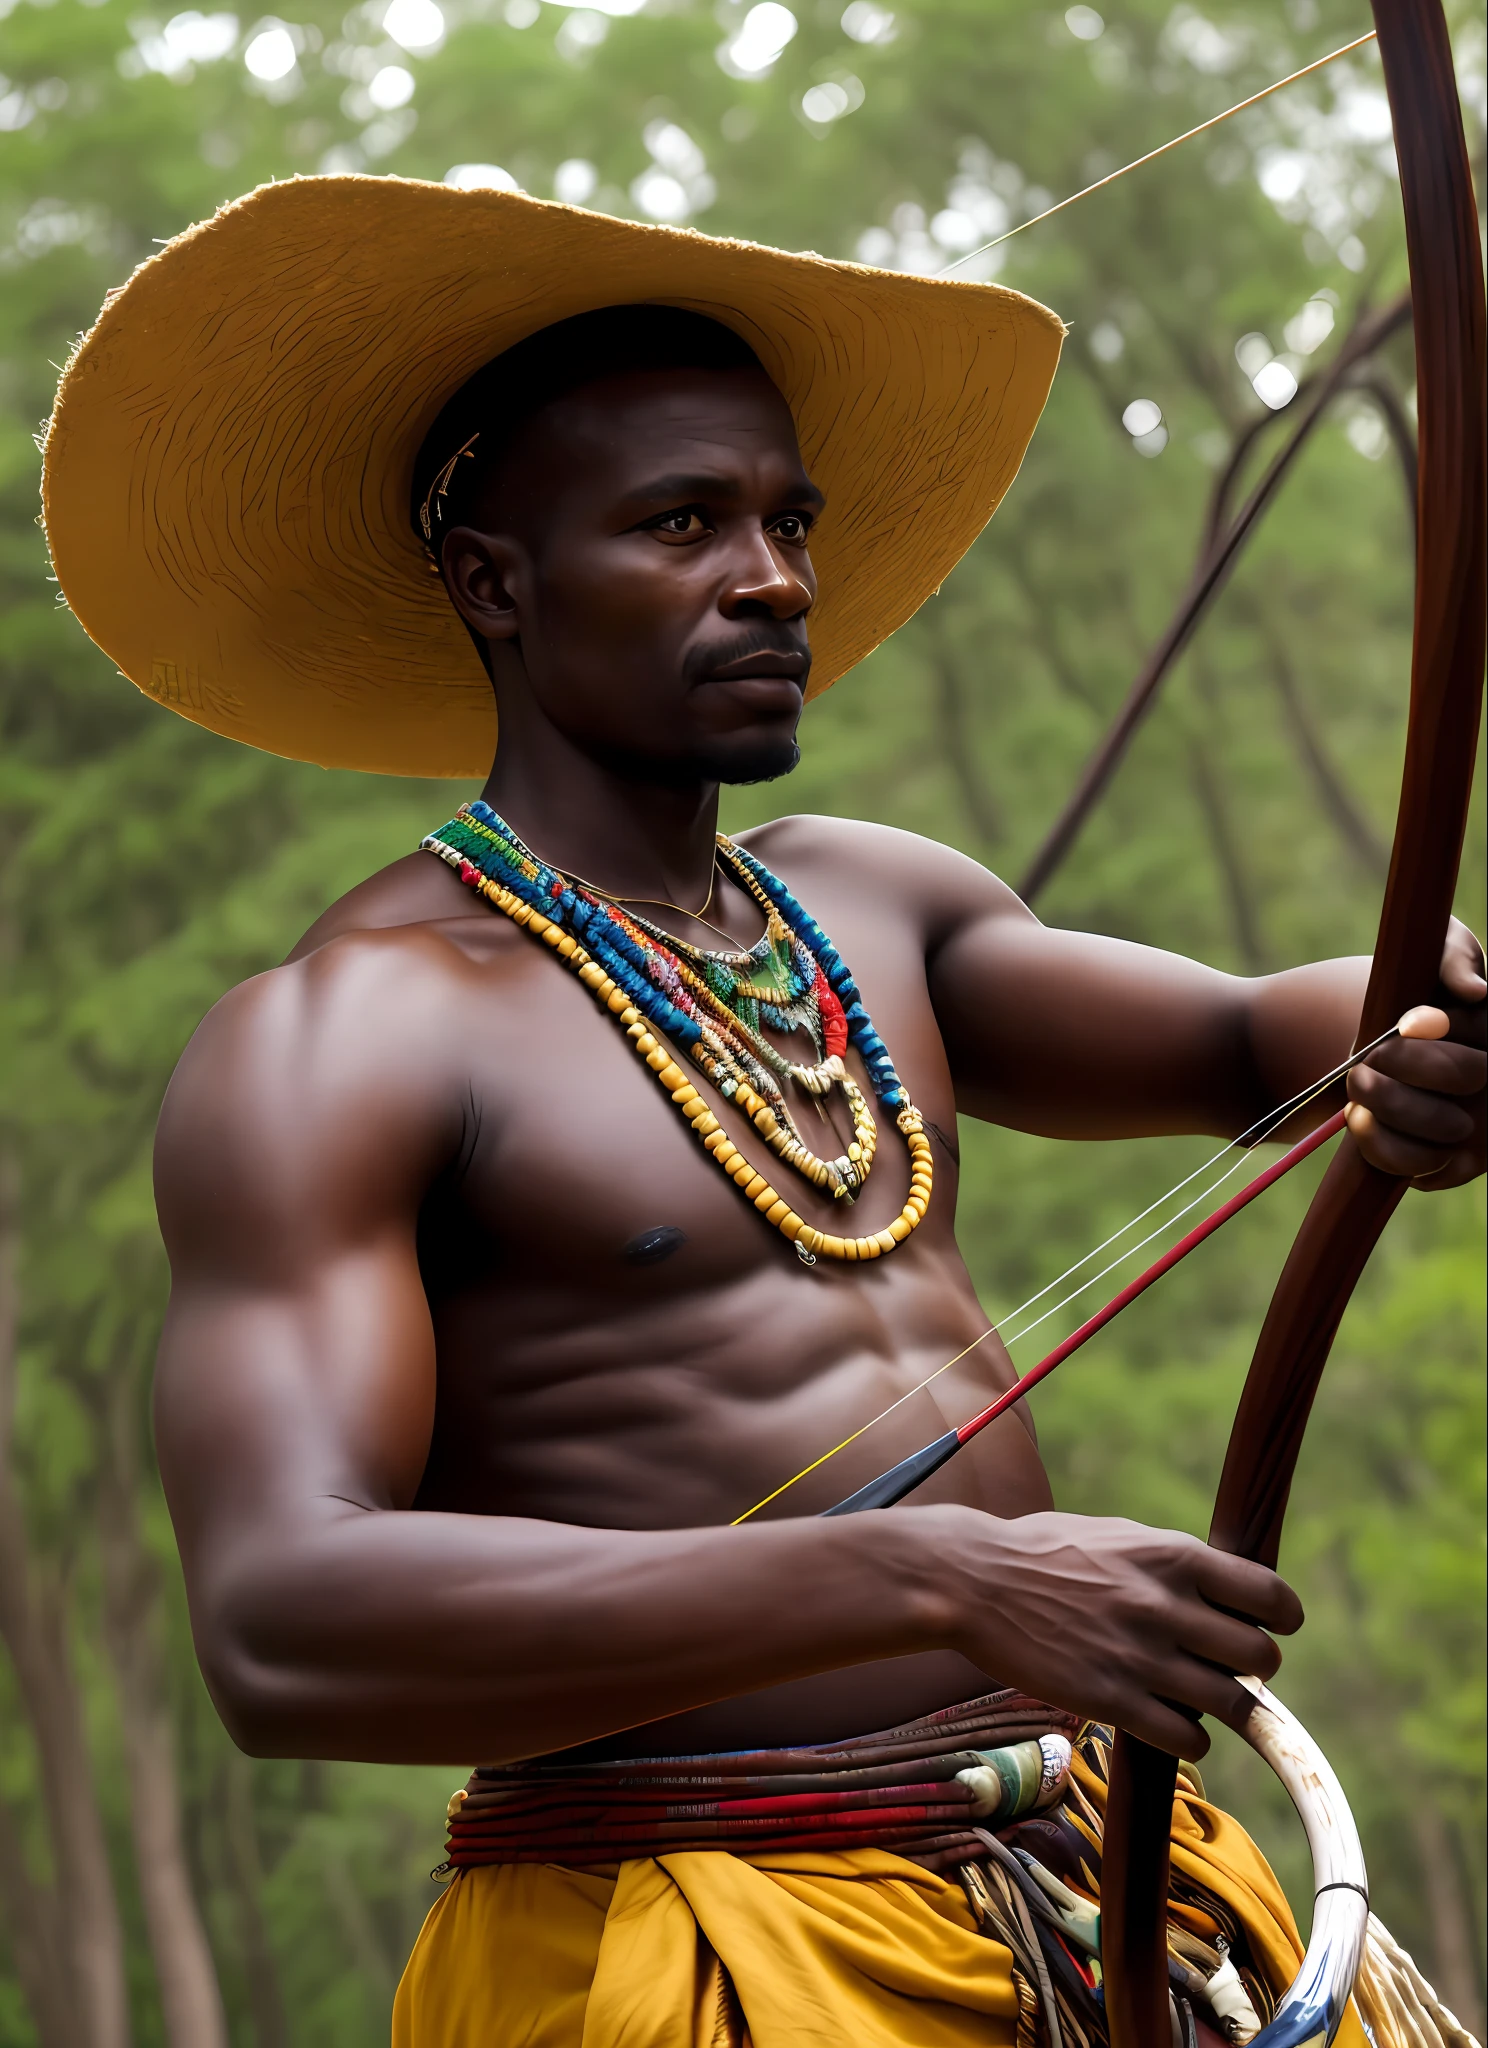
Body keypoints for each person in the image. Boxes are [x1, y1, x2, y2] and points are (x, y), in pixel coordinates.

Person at [43, 180, 1484, 2048]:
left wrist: (1416, 1008)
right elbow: (282, 1618)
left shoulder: (870, 907)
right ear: (495, 581)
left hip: (1097, 1892)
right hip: (693, 1939)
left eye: (788, 520)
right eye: (681, 524)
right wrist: (939, 1574)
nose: (777, 577)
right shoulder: (344, 1033)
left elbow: (1240, 1045)